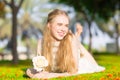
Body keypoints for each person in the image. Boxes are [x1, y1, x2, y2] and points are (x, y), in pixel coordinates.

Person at [26, 9, 105, 79]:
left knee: (95, 66)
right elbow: (39, 69)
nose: (63, 29)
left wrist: (51, 75)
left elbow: (73, 71)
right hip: (63, 63)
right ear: (49, 25)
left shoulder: (70, 39)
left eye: (66, 26)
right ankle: (77, 40)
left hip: (80, 65)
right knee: (28, 70)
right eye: (59, 24)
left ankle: (77, 42)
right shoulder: (41, 42)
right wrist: (33, 74)